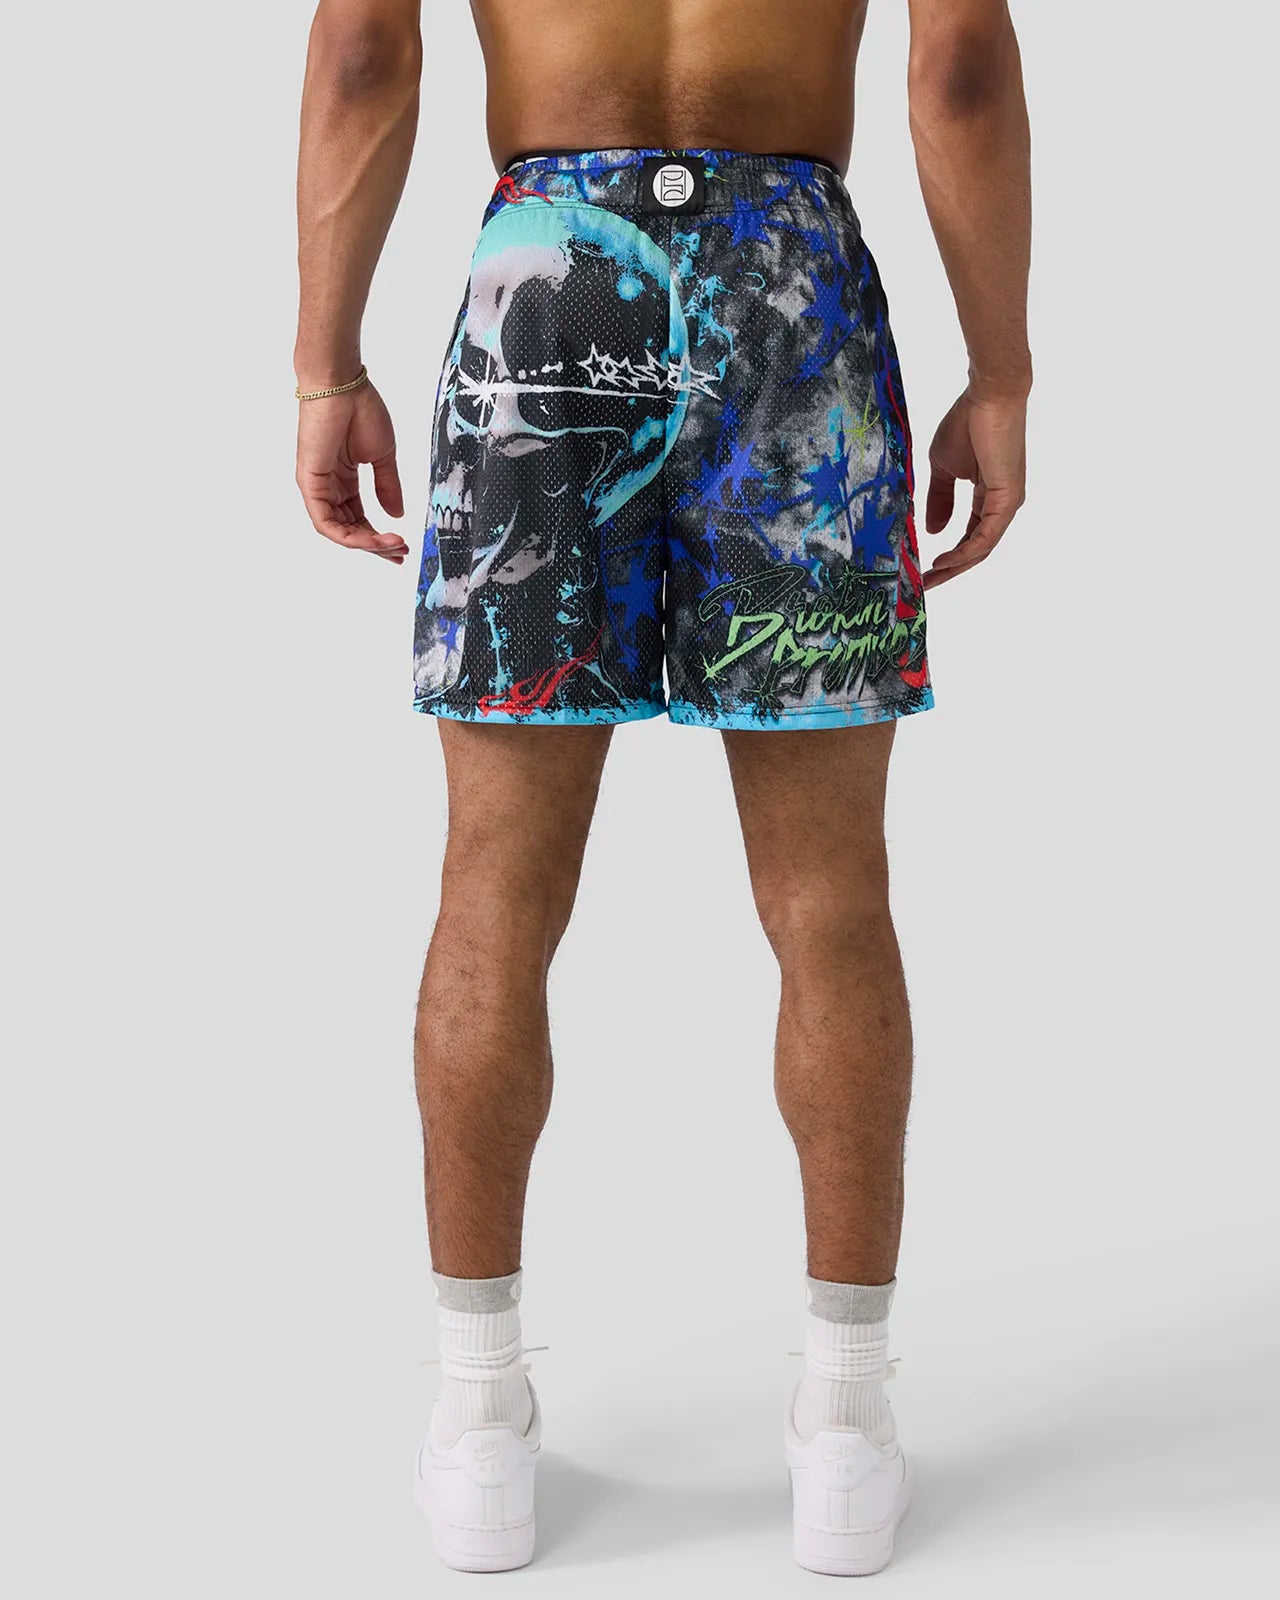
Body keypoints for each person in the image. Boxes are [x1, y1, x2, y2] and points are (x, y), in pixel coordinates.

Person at [295, 0, 1030, 1575]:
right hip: (792, 295)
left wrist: (323, 365)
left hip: (544, 295)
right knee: (831, 900)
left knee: (494, 888)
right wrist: (1003, 373)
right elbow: (960, 68)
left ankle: (478, 1419)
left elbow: (362, 50)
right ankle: (846, 1420)